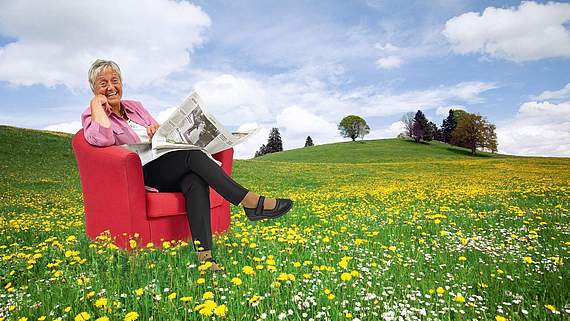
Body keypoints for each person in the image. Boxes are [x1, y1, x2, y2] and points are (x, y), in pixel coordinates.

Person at [81, 59, 293, 271]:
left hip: (163, 161)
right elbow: (102, 140)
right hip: (142, 173)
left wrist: (156, 129)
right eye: (103, 83)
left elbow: (157, 137)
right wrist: (97, 104)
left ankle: (205, 258)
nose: (111, 87)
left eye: (115, 80)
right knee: (193, 156)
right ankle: (251, 202)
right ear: (95, 89)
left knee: (194, 180)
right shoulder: (92, 114)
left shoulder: (135, 107)